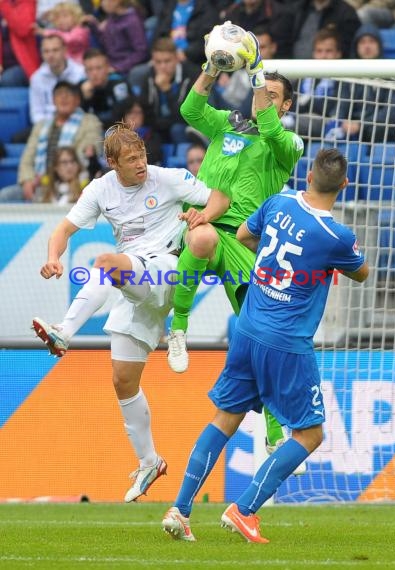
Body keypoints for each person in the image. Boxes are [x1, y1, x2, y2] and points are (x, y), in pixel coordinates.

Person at [162, 148, 369, 543]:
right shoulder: (336, 237)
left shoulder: (278, 202)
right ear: (344, 185)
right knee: (310, 435)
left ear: (308, 176)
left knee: (225, 418)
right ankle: (244, 509)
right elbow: (361, 272)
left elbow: (242, 235)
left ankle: (180, 509)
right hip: (287, 342)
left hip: (248, 326)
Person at [31, 123, 230, 502]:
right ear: (112, 163)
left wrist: (203, 216)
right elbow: (63, 229)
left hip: (168, 271)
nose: (141, 164)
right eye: (131, 159)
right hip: (136, 282)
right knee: (123, 380)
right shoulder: (100, 190)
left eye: (142, 155)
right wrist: (53, 256)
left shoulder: (168, 178)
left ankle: (64, 332)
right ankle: (150, 460)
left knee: (106, 261)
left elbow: (220, 196)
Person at [166, 30, 304, 457]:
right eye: (262, 90)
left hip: (245, 245)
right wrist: (212, 67)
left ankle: (276, 429)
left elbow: (267, 125)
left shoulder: (287, 145)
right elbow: (189, 108)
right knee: (202, 236)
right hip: (200, 225)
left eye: (272, 95)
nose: (262, 98)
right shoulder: (228, 124)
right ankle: (179, 329)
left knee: (261, 338)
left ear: (285, 105)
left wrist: (258, 70)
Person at [0, 80, 102, 202]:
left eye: (68, 94)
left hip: (74, 182)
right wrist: (28, 180)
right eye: (59, 94)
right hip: (40, 183)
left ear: (78, 100)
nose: (63, 98)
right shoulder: (41, 126)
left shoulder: (89, 121)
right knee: (5, 196)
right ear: (53, 100)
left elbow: (88, 152)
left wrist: (61, 175)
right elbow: (27, 158)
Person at [29, 34, 85, 125]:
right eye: (46, 51)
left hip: (77, 124)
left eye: (55, 50)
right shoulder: (36, 78)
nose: (50, 55)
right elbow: (36, 113)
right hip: (47, 126)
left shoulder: (81, 73)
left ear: (65, 50)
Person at [80, 48, 132, 130]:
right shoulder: (82, 87)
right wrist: (85, 99)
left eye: (98, 68)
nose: (94, 73)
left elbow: (123, 117)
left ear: (107, 68)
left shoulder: (118, 84)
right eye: (90, 69)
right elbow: (76, 120)